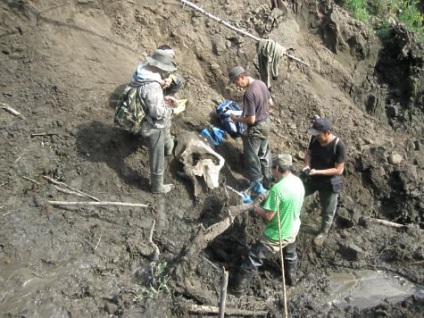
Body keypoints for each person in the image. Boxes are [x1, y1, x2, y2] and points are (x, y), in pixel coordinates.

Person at [229, 154, 305, 295]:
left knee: (253, 258)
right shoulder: (297, 181)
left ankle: (237, 290)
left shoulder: (277, 189)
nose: (272, 172)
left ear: (276, 168)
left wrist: (251, 205)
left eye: (272, 169)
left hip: (277, 234)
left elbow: (268, 215)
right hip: (293, 228)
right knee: (290, 254)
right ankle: (291, 279)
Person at [132, 50, 185, 194]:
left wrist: (162, 100)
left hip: (140, 113)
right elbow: (158, 113)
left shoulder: (141, 71)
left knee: (166, 143)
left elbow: (147, 98)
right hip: (151, 124)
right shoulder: (153, 87)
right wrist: (172, 109)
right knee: (157, 155)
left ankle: (169, 147)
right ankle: (157, 187)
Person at [228, 66, 273, 195]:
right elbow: (271, 102)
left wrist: (236, 119)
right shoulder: (261, 83)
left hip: (256, 128)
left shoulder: (249, 93)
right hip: (266, 124)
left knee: (252, 158)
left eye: (236, 82)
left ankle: (257, 188)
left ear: (241, 77)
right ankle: (267, 183)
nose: (236, 85)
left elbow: (251, 120)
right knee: (264, 155)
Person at [302, 117, 346, 246]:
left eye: (319, 134)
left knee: (328, 209)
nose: (316, 137)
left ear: (327, 133)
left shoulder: (339, 146)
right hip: (312, 176)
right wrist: (307, 165)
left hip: (329, 181)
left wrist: (319, 172)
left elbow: (339, 170)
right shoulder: (315, 139)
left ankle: (323, 231)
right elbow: (309, 153)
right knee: (298, 192)